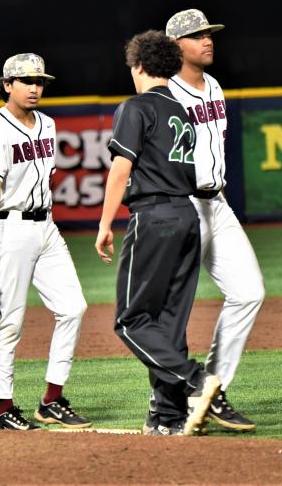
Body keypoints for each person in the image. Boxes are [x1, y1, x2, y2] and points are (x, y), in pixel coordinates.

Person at [95, 30, 221, 436]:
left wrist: (104, 224)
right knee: (168, 322)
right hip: (187, 215)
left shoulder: (135, 107)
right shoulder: (183, 110)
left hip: (155, 216)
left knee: (130, 321)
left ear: (140, 66)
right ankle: (167, 417)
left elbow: (121, 171)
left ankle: (197, 382)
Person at [0, 54, 91, 431]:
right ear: (7, 84)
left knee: (73, 307)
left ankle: (51, 400)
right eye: (26, 80)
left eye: (39, 81)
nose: (35, 87)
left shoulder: (48, 124)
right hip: (10, 229)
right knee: (10, 321)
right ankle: (4, 410)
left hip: (46, 226)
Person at [165, 9, 263, 431]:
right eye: (197, 36)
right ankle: (170, 401)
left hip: (216, 204)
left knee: (250, 292)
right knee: (174, 308)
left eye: (209, 34)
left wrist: (220, 198)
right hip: (181, 205)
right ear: (174, 47)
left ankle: (212, 388)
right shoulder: (165, 94)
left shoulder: (215, 86)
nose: (207, 41)